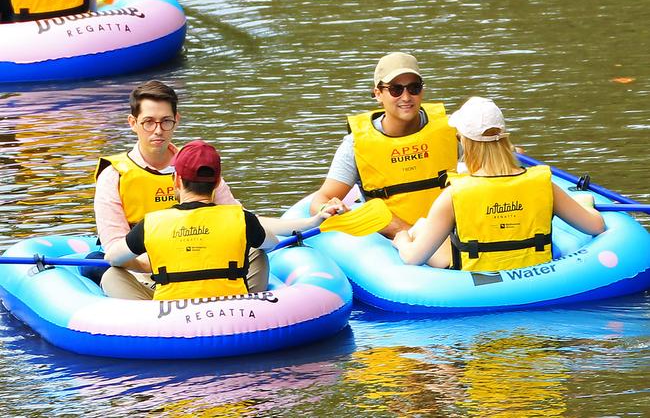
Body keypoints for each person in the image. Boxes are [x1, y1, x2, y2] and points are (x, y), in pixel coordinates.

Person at [105, 140, 342, 301]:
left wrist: (145, 263)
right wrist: (313, 222)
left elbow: (113, 257)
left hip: (170, 312)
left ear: (176, 181)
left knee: (111, 274)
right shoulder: (240, 218)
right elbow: (270, 243)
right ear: (218, 182)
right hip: (233, 305)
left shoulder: (152, 223)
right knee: (257, 252)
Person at [392, 96, 606, 271]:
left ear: (464, 141)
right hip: (537, 272)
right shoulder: (543, 185)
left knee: (420, 227)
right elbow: (595, 226)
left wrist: (401, 238)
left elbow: (413, 258)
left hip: (473, 280)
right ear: (504, 138)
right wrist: (586, 206)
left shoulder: (453, 196)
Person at [84, 80, 243, 290]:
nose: (158, 131)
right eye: (148, 122)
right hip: (144, 270)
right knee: (95, 261)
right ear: (133, 123)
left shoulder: (197, 164)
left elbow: (238, 219)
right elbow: (115, 248)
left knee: (255, 253)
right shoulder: (113, 175)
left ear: (176, 120)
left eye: (165, 121)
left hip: (206, 263)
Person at [310, 52, 458, 238]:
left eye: (414, 88)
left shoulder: (454, 129)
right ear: (378, 94)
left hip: (452, 235)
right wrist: (328, 207)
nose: (406, 97)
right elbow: (320, 200)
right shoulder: (355, 144)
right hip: (391, 245)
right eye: (396, 89)